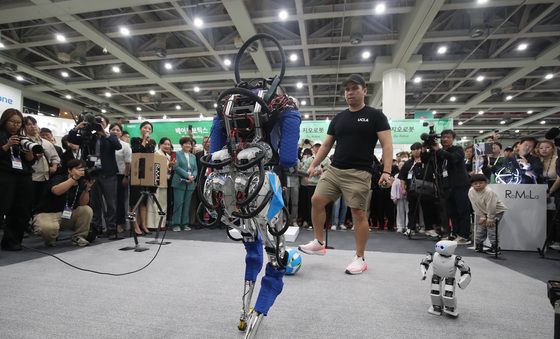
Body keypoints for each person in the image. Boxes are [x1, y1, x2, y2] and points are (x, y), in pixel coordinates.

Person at [298, 73, 394, 275]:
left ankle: (360, 258)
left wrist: (386, 171)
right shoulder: (339, 118)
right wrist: (313, 164)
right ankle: (318, 241)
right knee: (316, 200)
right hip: (334, 170)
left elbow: (386, 144)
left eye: (354, 88)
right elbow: (326, 144)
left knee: (358, 214)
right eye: (347, 89)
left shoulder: (375, 116)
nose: (350, 92)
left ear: (364, 90)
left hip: (359, 173)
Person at [424, 129, 471, 244]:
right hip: (446, 186)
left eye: (448, 137)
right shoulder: (439, 152)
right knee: (451, 212)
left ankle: (464, 236)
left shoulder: (458, 150)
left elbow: (453, 158)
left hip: (460, 185)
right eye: (443, 137)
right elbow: (427, 161)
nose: (445, 139)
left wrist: (438, 150)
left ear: (453, 139)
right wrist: (426, 149)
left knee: (462, 211)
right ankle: (455, 233)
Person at [32, 159, 94, 247]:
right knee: (48, 229)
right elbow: (56, 191)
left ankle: (78, 236)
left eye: (82, 169)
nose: (81, 171)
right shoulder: (59, 178)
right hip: (48, 214)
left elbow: (83, 203)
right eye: (78, 169)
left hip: (66, 215)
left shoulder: (81, 182)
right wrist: (73, 178)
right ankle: (50, 238)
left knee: (86, 210)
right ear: (69, 170)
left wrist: (87, 190)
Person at [0, 109, 36, 251]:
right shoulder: (2, 136)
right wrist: (7, 145)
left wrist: (29, 153)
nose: (15, 125)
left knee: (22, 210)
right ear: (4, 121)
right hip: (4, 175)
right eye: (12, 122)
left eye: (18, 122)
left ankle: (12, 241)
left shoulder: (23, 139)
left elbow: (30, 162)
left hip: (23, 176)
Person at [400, 142, 438, 237]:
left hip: (427, 189)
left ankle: (429, 228)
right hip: (412, 190)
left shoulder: (427, 161)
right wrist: (403, 189)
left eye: (418, 149)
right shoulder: (408, 163)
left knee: (427, 209)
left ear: (421, 149)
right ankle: (411, 228)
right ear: (411, 151)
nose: (416, 151)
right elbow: (402, 178)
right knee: (412, 210)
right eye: (413, 149)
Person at [24, 116, 61, 211]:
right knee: (28, 202)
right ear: (24, 127)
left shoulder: (46, 142)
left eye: (34, 124)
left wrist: (54, 166)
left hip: (46, 177)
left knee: (42, 202)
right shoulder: (24, 141)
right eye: (29, 124)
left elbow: (55, 157)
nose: (33, 126)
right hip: (31, 177)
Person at [468, 174, 508, 255]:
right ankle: (479, 245)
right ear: (472, 185)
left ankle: (495, 247)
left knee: (491, 227)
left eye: (480, 183)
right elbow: (474, 205)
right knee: (481, 227)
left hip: (496, 211)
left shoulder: (489, 192)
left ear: (486, 183)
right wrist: (482, 216)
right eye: (475, 183)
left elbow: (491, 205)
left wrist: (490, 218)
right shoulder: (471, 191)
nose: (478, 185)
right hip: (484, 211)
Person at [129, 121, 156, 235]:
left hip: (147, 175)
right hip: (136, 174)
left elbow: (150, 158)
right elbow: (137, 152)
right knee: (134, 202)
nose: (147, 130)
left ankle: (143, 224)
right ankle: (134, 225)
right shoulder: (135, 140)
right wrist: (144, 140)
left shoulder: (152, 144)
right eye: (145, 127)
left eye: (149, 129)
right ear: (141, 129)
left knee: (144, 202)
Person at [298, 141, 331, 229]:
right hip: (311, 185)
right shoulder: (309, 159)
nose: (317, 148)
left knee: (322, 205)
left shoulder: (327, 159)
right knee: (311, 204)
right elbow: (303, 171)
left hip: (322, 185)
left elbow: (330, 171)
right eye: (316, 146)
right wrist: (311, 174)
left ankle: (323, 224)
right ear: (313, 148)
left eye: (319, 146)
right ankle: (310, 222)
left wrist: (322, 172)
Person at [109, 123, 132, 234]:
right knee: (109, 202)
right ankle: (109, 224)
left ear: (121, 133)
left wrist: (126, 176)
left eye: (118, 130)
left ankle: (120, 223)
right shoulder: (106, 143)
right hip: (108, 175)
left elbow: (128, 163)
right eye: (113, 129)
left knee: (119, 201)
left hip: (120, 176)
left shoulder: (125, 145)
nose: (115, 131)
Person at [171, 136, 197, 231]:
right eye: (185, 143)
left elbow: (195, 169)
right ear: (182, 145)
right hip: (179, 182)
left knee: (187, 204)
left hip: (190, 183)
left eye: (189, 144)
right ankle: (176, 224)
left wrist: (193, 176)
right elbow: (176, 167)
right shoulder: (176, 154)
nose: (188, 145)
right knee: (178, 204)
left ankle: (185, 223)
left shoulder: (193, 156)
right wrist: (187, 176)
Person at [147, 137, 174, 230]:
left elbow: (168, 171)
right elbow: (155, 169)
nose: (167, 146)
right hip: (156, 183)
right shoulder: (156, 154)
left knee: (163, 203)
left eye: (168, 144)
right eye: (165, 144)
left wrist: (170, 166)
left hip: (165, 182)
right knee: (155, 203)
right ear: (160, 144)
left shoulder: (169, 156)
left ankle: (162, 224)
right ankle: (153, 225)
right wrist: (168, 166)